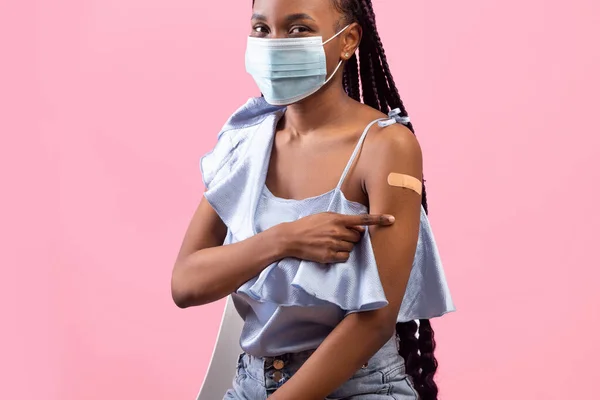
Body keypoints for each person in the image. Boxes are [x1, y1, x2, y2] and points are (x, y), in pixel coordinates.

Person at [171, 0, 455, 398]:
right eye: (262, 29)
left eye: (299, 29)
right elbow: (186, 284)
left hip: (357, 386)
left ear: (349, 40)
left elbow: (376, 320)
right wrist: (286, 239)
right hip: (250, 382)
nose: (275, 45)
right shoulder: (245, 141)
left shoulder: (387, 147)